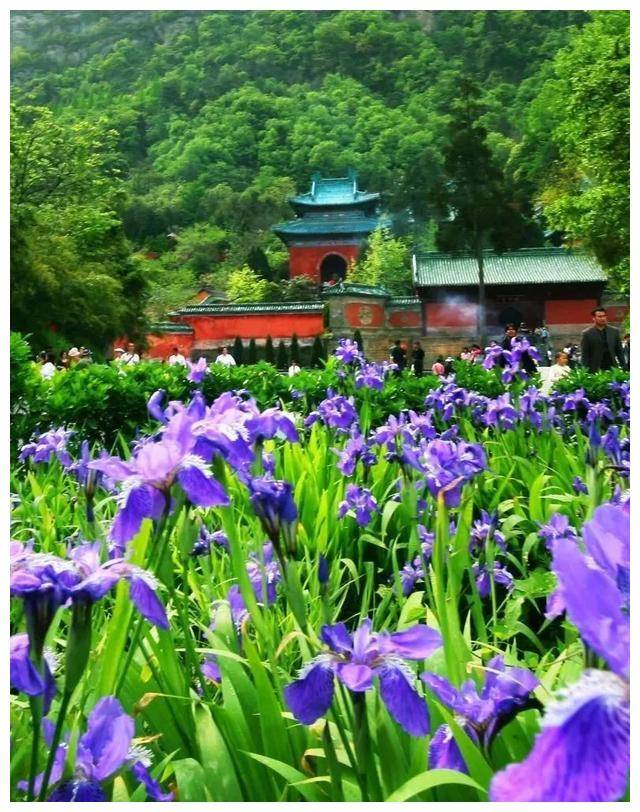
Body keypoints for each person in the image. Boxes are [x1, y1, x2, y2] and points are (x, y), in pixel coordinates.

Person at [580, 307, 626, 372]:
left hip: (612, 367)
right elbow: (585, 355)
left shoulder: (614, 331)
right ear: (593, 318)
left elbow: (619, 351)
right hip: (594, 368)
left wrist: (624, 367)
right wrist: (584, 370)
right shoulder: (587, 333)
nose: (603, 318)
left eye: (604, 316)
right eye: (600, 316)